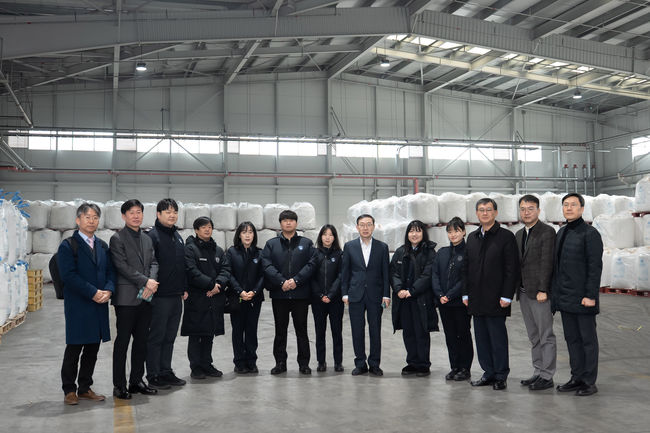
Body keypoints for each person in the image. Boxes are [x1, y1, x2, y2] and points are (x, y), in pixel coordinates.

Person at [58, 203, 115, 405]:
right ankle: (69, 390)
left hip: (99, 304)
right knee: (74, 348)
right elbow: (68, 276)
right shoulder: (68, 246)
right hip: (79, 305)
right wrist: (93, 292)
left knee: (92, 348)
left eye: (95, 217)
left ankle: (84, 387)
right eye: (87, 217)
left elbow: (110, 272)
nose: (92, 221)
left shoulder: (102, 246)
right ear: (78, 220)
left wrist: (109, 290)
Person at [464, 198, 519, 390]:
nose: (485, 213)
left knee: (497, 339)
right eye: (481, 210)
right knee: (481, 339)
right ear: (476, 213)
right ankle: (488, 373)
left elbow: (512, 269)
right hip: (476, 298)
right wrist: (465, 294)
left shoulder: (505, 237)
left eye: (488, 209)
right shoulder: (472, 237)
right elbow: (466, 268)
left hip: (496, 298)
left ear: (495, 212)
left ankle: (501, 375)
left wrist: (507, 295)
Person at [552, 193, 603, 397]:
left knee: (587, 341)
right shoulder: (562, 232)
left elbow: (595, 267)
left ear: (582, 209)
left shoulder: (590, 234)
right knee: (572, 339)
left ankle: (589, 381)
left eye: (573, 205)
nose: (569, 208)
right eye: (566, 205)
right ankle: (576, 377)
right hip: (565, 298)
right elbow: (557, 268)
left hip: (583, 298)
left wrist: (590, 295)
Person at [110, 199, 159, 400]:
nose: (136, 216)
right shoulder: (117, 238)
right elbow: (121, 266)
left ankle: (136, 381)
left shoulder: (147, 238)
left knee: (141, 341)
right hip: (126, 299)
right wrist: (146, 281)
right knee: (122, 342)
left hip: (146, 297)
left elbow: (154, 262)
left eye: (139, 212)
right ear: (124, 216)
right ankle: (119, 385)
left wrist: (152, 282)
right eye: (131, 212)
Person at [261, 210, 316, 375]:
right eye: (285, 220)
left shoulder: (306, 243)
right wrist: (281, 281)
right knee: (280, 330)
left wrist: (296, 280)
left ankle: (304, 364)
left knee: (301, 330)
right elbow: (266, 265)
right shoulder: (271, 244)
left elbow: (312, 264)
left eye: (291, 220)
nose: (288, 223)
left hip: (300, 295)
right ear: (280, 224)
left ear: (296, 223)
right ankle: (280, 363)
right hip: (280, 295)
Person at [515, 195, 557, 391]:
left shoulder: (547, 232)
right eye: (523, 209)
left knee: (545, 335)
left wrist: (543, 289)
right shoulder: (519, 234)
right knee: (534, 336)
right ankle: (538, 371)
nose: (526, 212)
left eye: (530, 208)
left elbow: (547, 262)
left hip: (539, 293)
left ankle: (547, 376)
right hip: (524, 292)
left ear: (538, 211)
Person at [182, 216, 231, 379]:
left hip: (214, 298)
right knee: (196, 334)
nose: (207, 229)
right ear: (196, 230)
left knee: (209, 333)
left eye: (209, 226)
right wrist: (211, 285)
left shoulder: (218, 250)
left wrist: (219, 285)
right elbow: (191, 271)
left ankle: (206, 364)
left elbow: (226, 269)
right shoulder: (190, 249)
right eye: (203, 227)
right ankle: (195, 366)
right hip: (197, 298)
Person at [341, 214, 390, 376]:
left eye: (369, 224)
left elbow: (385, 273)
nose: (365, 228)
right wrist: (344, 293)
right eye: (362, 224)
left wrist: (386, 295)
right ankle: (360, 363)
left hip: (375, 295)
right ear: (357, 227)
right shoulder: (350, 246)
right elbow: (345, 272)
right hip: (355, 294)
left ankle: (375, 364)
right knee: (357, 330)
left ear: (374, 227)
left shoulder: (382, 247)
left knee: (375, 330)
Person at [146, 198, 187, 389]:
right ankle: (153, 374)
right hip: (159, 296)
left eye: (175, 212)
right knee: (157, 336)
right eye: (168, 212)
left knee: (170, 336)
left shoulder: (177, 236)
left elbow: (182, 264)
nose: (172, 215)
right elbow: (149, 265)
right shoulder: (152, 236)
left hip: (176, 295)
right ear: (158, 214)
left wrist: (184, 287)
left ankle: (166, 371)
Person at [390, 220, 438, 377]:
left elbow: (427, 275)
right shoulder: (400, 251)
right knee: (408, 331)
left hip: (420, 299)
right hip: (403, 299)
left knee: (421, 331)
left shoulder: (430, 252)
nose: (414, 234)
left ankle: (423, 364)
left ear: (423, 233)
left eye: (418, 231)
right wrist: (399, 289)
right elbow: (393, 272)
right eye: (411, 231)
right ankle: (412, 362)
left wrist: (412, 291)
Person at [432, 217, 473, 382]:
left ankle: (465, 368)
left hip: (460, 302)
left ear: (464, 232)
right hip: (444, 303)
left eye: (456, 231)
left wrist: (449, 295)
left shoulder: (469, 252)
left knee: (463, 334)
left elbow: (466, 279)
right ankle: (454, 366)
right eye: (450, 231)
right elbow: (435, 275)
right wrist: (439, 294)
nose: (453, 234)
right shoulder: (442, 252)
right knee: (450, 335)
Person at [227, 221, 265, 374]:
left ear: (254, 235)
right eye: (244, 232)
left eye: (250, 232)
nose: (247, 235)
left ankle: (251, 361)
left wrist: (254, 291)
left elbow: (263, 275)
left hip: (255, 298)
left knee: (251, 330)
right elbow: (229, 274)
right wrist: (240, 291)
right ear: (239, 235)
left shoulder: (260, 253)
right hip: (237, 298)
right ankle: (239, 362)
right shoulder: (231, 252)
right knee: (237, 330)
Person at [311, 224, 344, 373]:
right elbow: (311, 276)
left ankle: (338, 362)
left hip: (335, 300)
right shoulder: (314, 254)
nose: (327, 237)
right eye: (325, 234)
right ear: (320, 237)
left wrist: (330, 294)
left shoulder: (340, 254)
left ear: (334, 237)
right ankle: (321, 361)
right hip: (317, 300)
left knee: (337, 332)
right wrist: (320, 295)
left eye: (331, 235)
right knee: (320, 332)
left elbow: (341, 276)